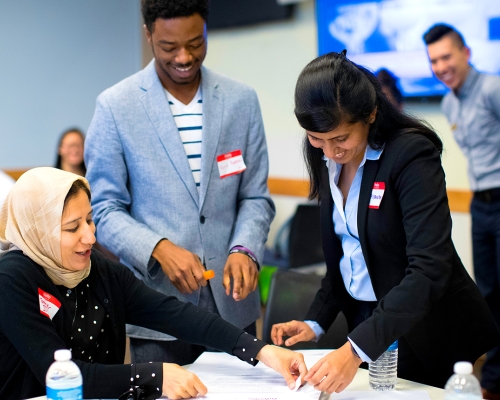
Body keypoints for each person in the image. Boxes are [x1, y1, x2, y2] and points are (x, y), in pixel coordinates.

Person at [270, 51, 499, 393]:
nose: (330, 152)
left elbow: (429, 270)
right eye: (317, 139)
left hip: (422, 328)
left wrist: (353, 350)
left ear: (371, 114)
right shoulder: (327, 159)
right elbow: (348, 252)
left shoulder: (410, 155)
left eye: (341, 139)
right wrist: (315, 322)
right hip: (367, 322)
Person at [0, 167, 305, 400]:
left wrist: (262, 351)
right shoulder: (12, 280)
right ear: (36, 231)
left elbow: (174, 314)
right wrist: (153, 376)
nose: (90, 237)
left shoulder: (99, 271)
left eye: (90, 220)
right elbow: (59, 373)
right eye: (72, 228)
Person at [85, 0, 275, 366]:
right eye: (169, 47)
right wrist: (158, 247)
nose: (185, 57)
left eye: (196, 43)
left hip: (233, 305)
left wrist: (245, 249)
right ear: (148, 34)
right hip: (156, 311)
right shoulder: (115, 106)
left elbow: (255, 196)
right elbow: (104, 210)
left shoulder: (241, 101)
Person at [423, 23, 500, 399]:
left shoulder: (492, 89)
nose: (440, 66)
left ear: (466, 53)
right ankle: (493, 381)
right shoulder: (449, 102)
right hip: (480, 204)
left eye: (446, 56)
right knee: (487, 293)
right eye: (433, 60)